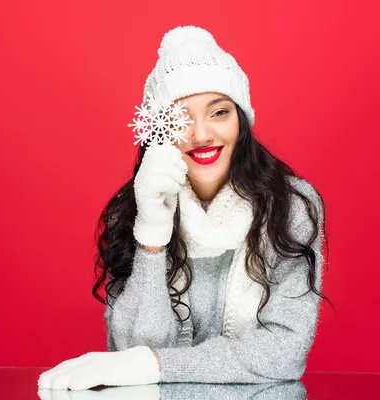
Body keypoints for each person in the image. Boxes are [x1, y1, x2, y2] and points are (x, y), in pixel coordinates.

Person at [37, 25, 329, 391]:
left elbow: (282, 353)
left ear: (241, 120)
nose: (202, 134)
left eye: (219, 112)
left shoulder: (290, 206)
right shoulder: (130, 212)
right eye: (182, 118)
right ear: (159, 130)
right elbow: (130, 352)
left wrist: (155, 364)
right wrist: (151, 233)